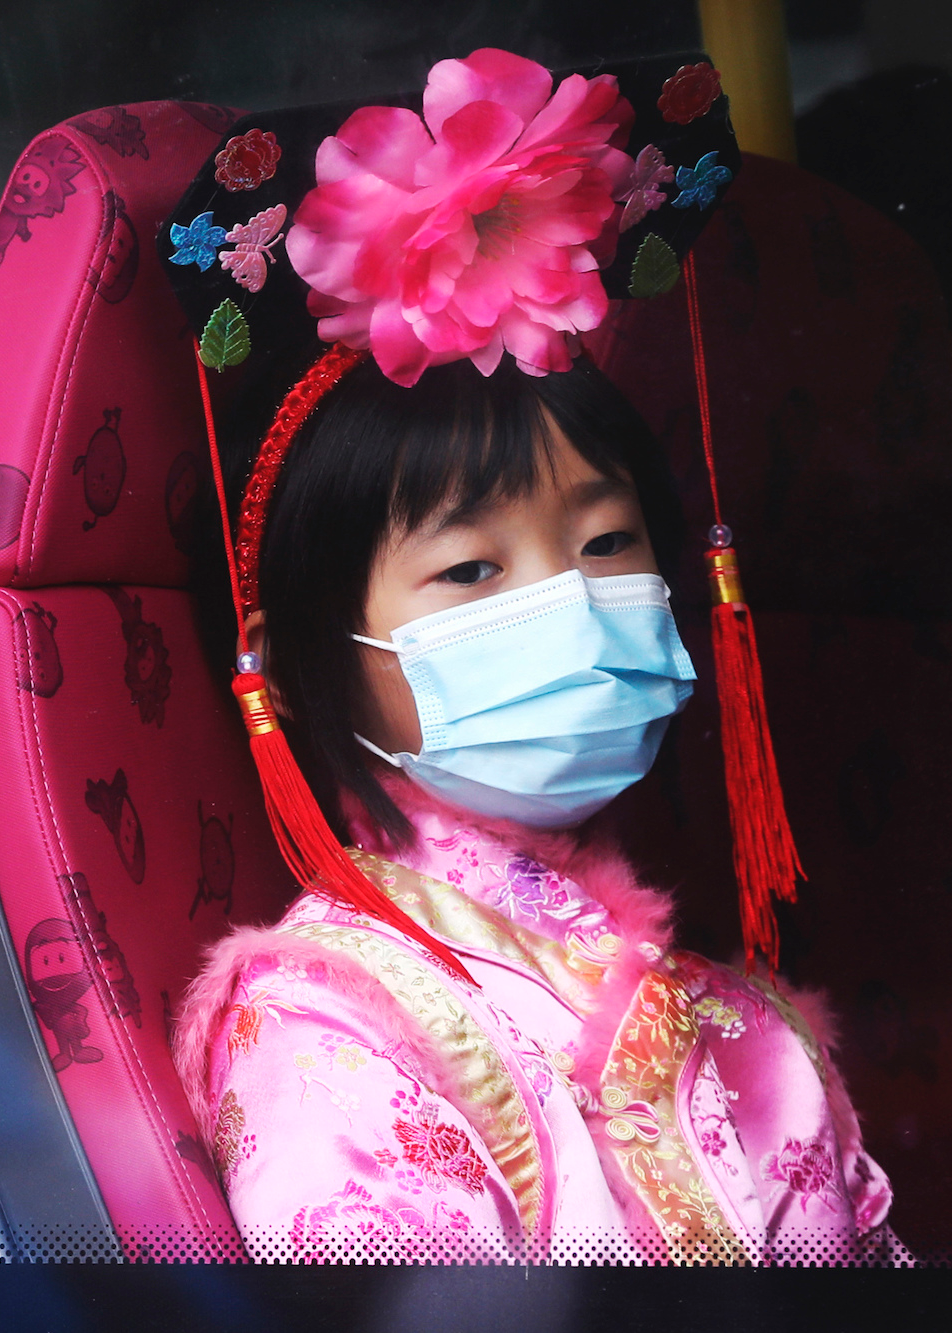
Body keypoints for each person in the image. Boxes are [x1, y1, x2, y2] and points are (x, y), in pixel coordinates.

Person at [162, 50, 901, 1263]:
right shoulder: (327, 1020)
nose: (570, 605)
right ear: (285, 659)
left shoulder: (750, 1026)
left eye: (607, 542)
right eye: (468, 570)